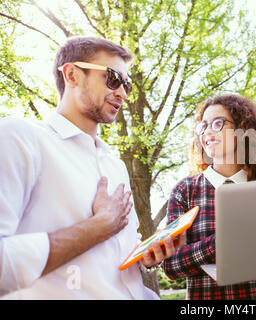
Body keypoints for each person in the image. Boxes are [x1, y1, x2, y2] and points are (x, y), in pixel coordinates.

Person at [0, 36, 184, 299]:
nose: (122, 93)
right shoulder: (19, 138)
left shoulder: (115, 164)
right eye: (113, 78)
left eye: (127, 85)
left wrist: (146, 255)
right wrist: (98, 228)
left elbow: (114, 265)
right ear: (72, 74)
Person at [162, 94, 256, 300]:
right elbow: (171, 266)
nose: (207, 131)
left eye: (218, 123)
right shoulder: (185, 191)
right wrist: (222, 243)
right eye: (203, 126)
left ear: (243, 129)